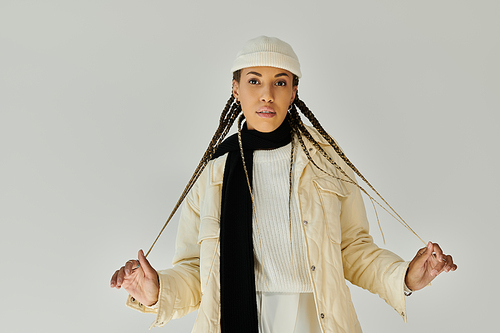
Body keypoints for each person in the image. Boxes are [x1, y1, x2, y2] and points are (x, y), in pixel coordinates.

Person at [110, 36, 457, 333]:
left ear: (293, 92)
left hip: (317, 318)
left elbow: (353, 250)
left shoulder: (327, 161)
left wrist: (405, 277)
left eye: (279, 82)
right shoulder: (213, 174)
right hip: (238, 317)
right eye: (254, 81)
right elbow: (197, 272)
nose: (266, 94)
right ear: (235, 89)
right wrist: (157, 291)